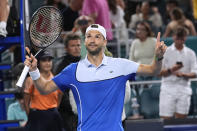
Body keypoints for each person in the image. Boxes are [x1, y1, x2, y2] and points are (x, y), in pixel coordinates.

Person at [24, 24, 167, 131]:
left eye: (97, 36)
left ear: (105, 42)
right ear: (85, 42)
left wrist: (159, 57)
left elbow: (153, 69)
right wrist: (35, 70)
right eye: (89, 36)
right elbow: (44, 88)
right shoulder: (72, 70)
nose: (92, 40)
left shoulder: (121, 65)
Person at [159, 26, 197, 119]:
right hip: (168, 88)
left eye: (182, 38)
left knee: (181, 121)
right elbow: (159, 73)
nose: (179, 40)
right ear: (173, 37)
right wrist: (172, 69)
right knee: (165, 120)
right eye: (178, 38)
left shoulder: (191, 53)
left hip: (184, 88)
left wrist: (183, 74)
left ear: (185, 38)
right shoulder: (165, 52)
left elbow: (195, 73)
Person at [24, 50, 64, 131]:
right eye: (44, 60)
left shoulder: (57, 79)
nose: (47, 63)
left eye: (49, 60)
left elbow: (60, 96)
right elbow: (26, 101)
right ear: (38, 63)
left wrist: (53, 109)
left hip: (53, 116)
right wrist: (31, 116)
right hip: (37, 116)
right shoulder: (31, 80)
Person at [53, 33, 81, 131]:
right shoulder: (61, 67)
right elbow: (59, 92)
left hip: (82, 112)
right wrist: (73, 107)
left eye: (78, 45)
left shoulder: (84, 64)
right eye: (73, 46)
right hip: (68, 114)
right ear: (66, 48)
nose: (76, 48)